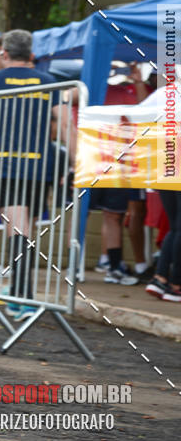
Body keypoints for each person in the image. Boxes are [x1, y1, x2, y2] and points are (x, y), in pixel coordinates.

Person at [0, 30, 56, 320]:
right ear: (31, 54)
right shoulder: (48, 81)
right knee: (27, 229)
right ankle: (23, 294)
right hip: (39, 165)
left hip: (5, 163)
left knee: (17, 228)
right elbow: (63, 124)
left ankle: (21, 297)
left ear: (4, 53)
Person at [90, 63, 152, 285]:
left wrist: (136, 81)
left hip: (120, 163)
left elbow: (145, 109)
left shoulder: (128, 91)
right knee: (83, 214)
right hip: (92, 160)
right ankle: (77, 267)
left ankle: (114, 267)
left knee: (113, 215)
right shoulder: (88, 87)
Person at [145, 191, 181, 302]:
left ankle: (160, 278)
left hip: (167, 175)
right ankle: (176, 285)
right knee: (177, 228)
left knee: (175, 228)